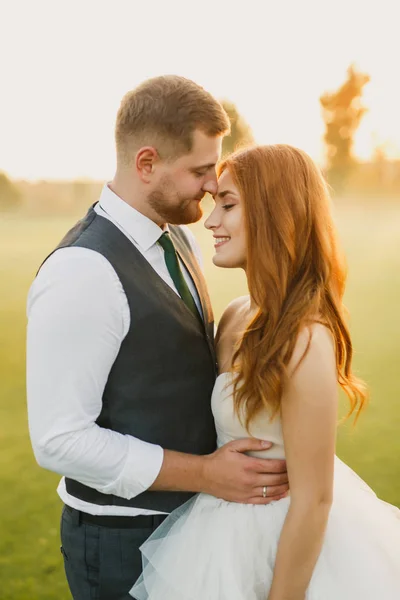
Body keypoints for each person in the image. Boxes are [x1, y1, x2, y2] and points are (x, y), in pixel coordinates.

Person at [26, 76, 289, 600]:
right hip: (123, 541)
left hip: (193, 531)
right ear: (146, 163)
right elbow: (58, 438)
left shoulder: (181, 237)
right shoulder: (83, 271)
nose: (212, 185)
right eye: (199, 170)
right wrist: (205, 474)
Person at [130, 144, 400, 600]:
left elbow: (314, 499)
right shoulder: (235, 316)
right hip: (216, 534)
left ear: (276, 214)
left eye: (228, 205)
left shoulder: (305, 337)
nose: (211, 221)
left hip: (286, 543)